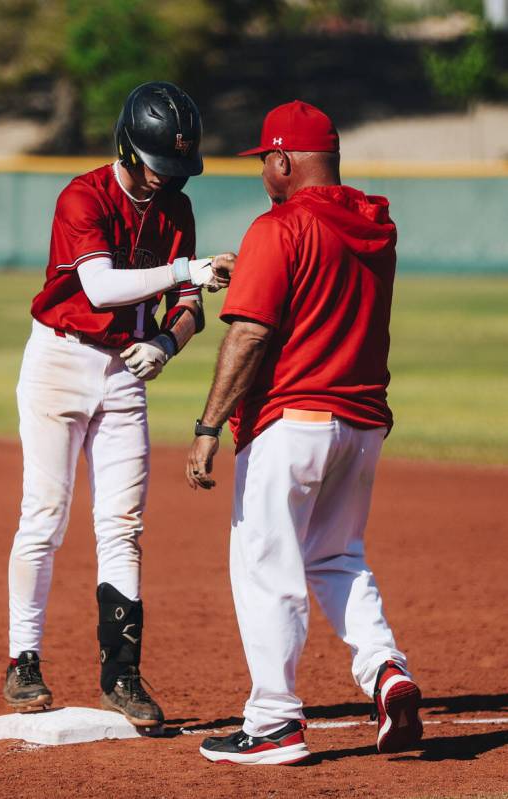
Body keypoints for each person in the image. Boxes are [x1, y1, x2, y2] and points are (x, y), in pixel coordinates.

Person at [186, 100, 423, 764]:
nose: (264, 172)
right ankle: (384, 669)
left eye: (266, 160)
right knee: (336, 556)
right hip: (362, 423)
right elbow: (321, 287)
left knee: (266, 564)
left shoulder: (278, 226)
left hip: (292, 419)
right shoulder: (376, 227)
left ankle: (273, 722)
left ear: (284, 160)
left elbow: (251, 333)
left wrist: (208, 425)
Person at [4, 81, 219, 728]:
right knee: (44, 515)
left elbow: (190, 309)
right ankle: (23, 658)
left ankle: (121, 675)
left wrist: (163, 343)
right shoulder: (83, 195)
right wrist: (186, 271)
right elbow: (98, 288)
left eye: (176, 169)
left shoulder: (175, 207)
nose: (165, 180)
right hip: (59, 362)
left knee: (123, 525)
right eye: (157, 166)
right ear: (127, 148)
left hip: (125, 372)